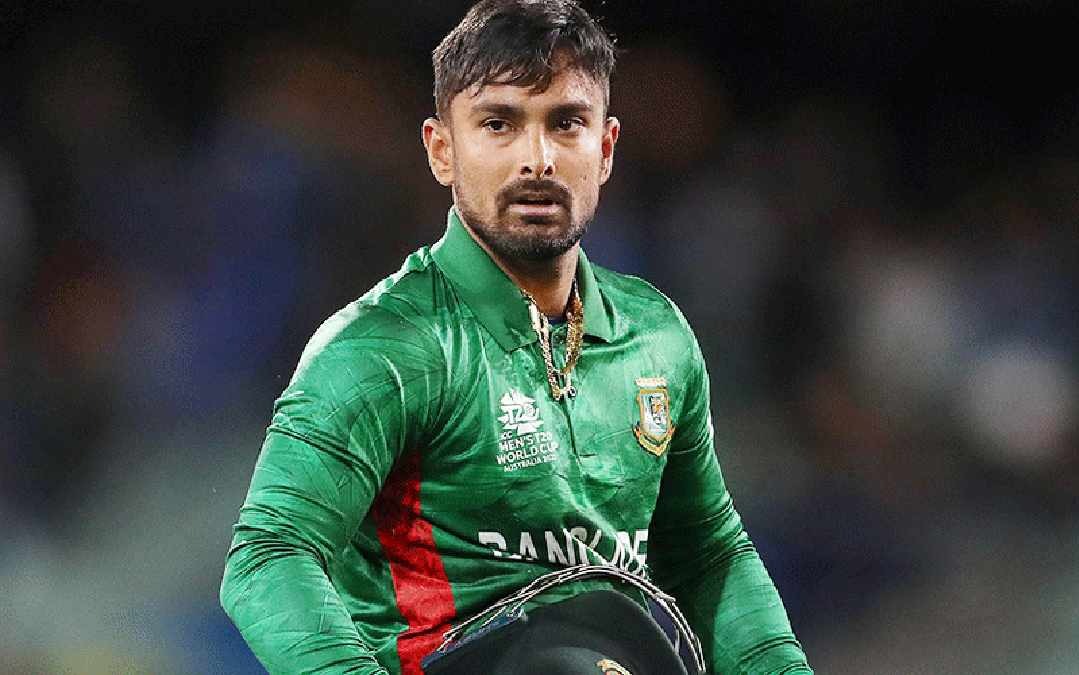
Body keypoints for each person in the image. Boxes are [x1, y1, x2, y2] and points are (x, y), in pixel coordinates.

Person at [220, 1, 812, 673]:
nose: (538, 159)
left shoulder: (656, 336)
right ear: (442, 150)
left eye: (566, 123)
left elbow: (709, 557)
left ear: (606, 148)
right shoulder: (385, 347)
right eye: (499, 124)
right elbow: (268, 557)